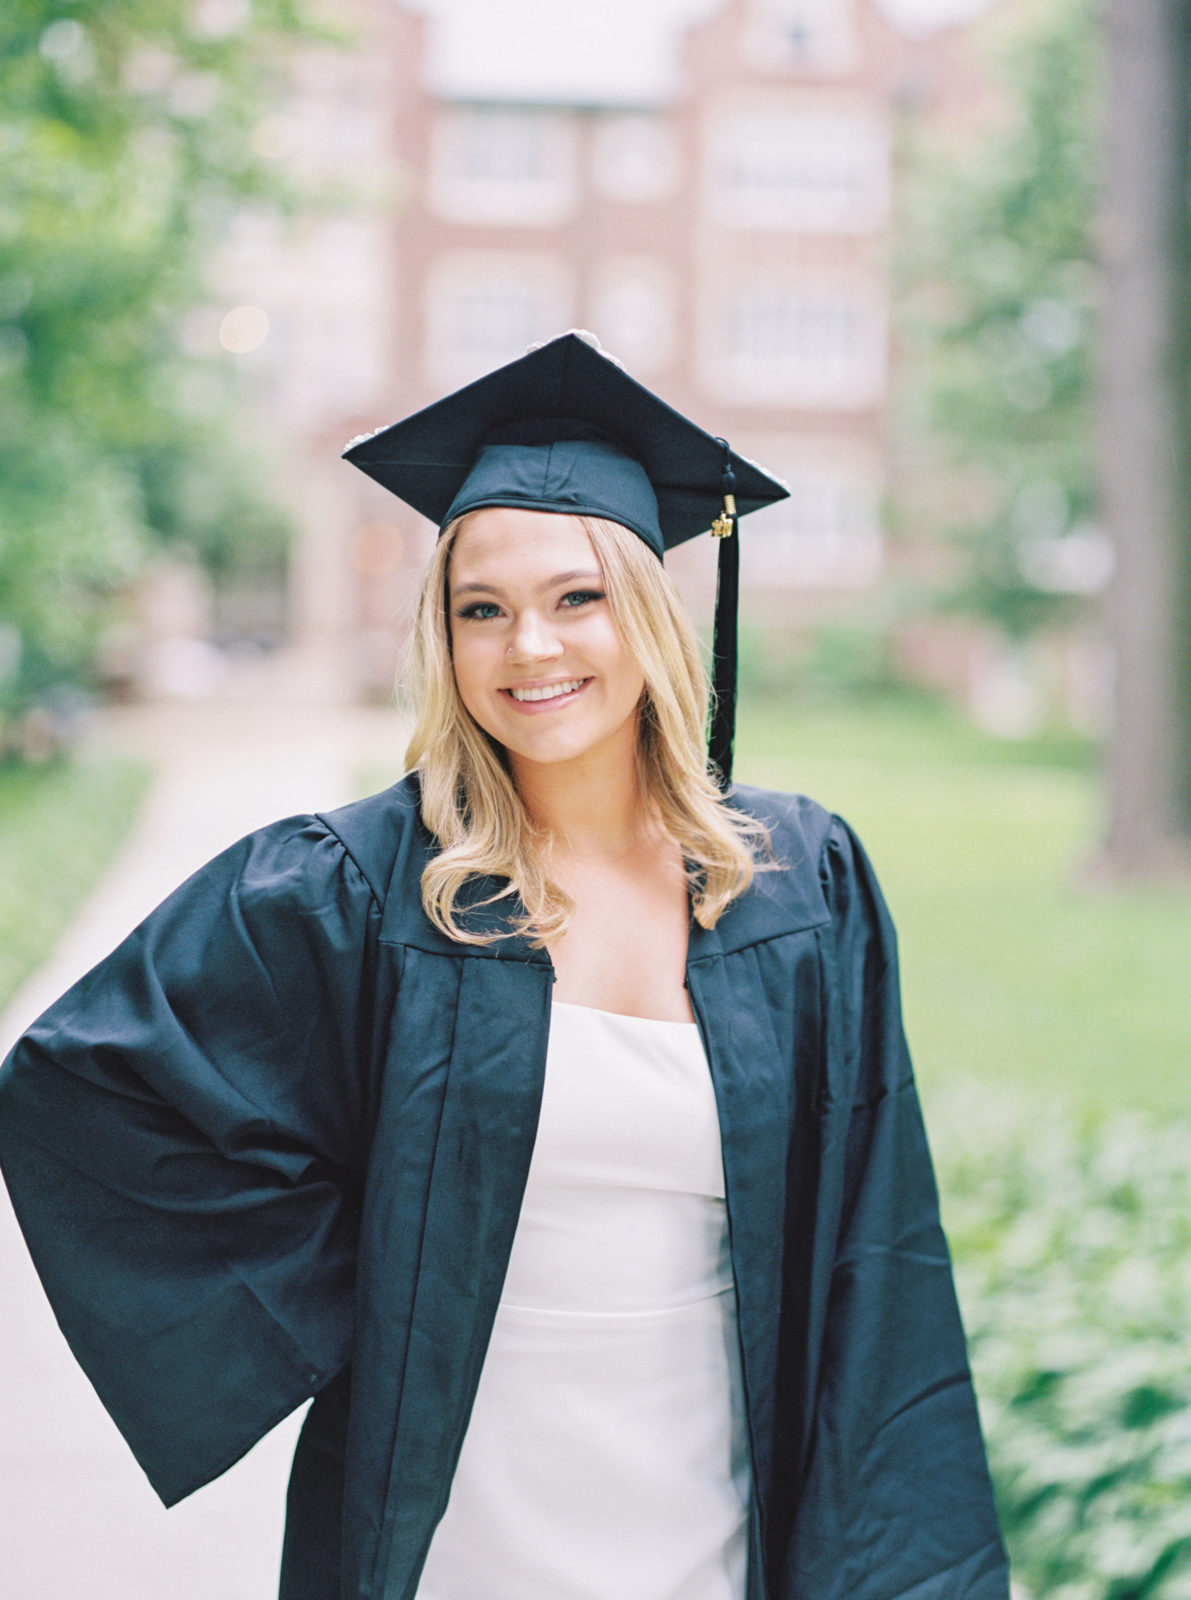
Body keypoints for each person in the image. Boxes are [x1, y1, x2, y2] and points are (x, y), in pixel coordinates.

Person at [0, 332, 1009, 1600]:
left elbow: (877, 1256)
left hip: (714, 1528)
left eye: (576, 596)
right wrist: (358, 1277)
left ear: (647, 609)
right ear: (446, 635)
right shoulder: (364, 887)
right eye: (484, 609)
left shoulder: (798, 887)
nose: (530, 646)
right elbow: (83, 1085)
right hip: (457, 1534)